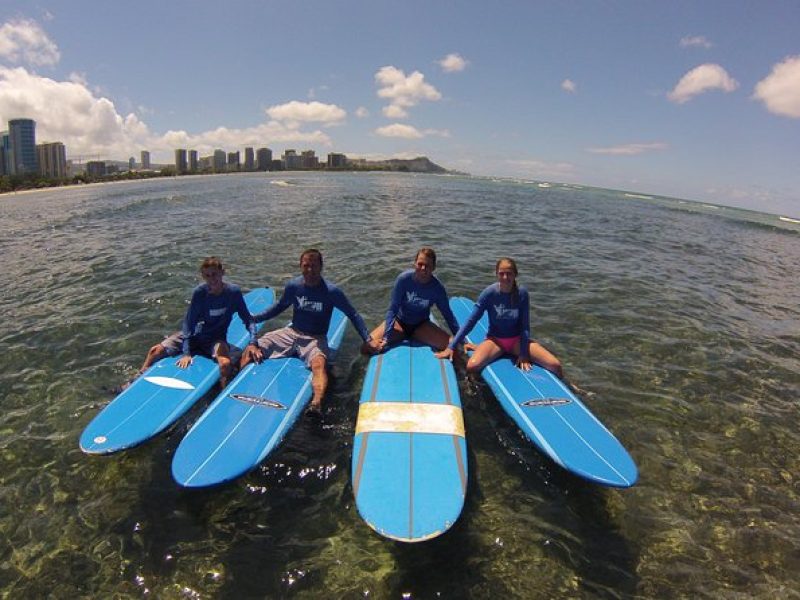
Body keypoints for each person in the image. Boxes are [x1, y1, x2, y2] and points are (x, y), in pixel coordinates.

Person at [241, 248, 380, 413]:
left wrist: (367, 339)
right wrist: (256, 318)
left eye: (314, 266)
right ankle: (236, 384)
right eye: (306, 266)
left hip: (315, 338)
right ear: (300, 266)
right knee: (252, 349)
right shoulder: (294, 286)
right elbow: (279, 308)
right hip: (292, 332)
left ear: (321, 267)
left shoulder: (331, 291)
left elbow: (353, 314)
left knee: (319, 365)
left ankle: (316, 403)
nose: (310, 270)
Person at [436, 257, 563, 378]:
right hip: (495, 341)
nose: (505, 277)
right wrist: (451, 347)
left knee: (555, 365)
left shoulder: (522, 294)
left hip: (516, 342)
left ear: (515, 275)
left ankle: (571, 388)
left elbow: (525, 326)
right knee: (472, 366)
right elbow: (471, 321)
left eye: (509, 273)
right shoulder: (489, 293)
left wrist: (524, 354)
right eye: (501, 273)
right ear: (496, 274)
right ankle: (472, 385)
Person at [139, 256, 255, 387]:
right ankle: (136, 380)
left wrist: (252, 342)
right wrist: (186, 353)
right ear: (203, 277)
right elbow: (189, 323)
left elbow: (248, 320)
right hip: (194, 336)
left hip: (215, 339)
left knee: (225, 364)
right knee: (155, 351)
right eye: (207, 276)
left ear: (222, 272)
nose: (212, 279)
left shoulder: (233, 293)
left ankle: (222, 390)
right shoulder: (200, 293)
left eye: (214, 274)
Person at [361, 247, 461, 354]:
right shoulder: (403, 280)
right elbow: (393, 310)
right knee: (366, 347)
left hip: (421, 326)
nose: (423, 268)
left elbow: (447, 315)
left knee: (456, 348)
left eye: (427, 266)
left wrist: (461, 339)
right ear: (414, 264)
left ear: (433, 268)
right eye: (420, 264)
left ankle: (461, 368)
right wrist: (386, 338)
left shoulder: (437, 288)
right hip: (399, 324)